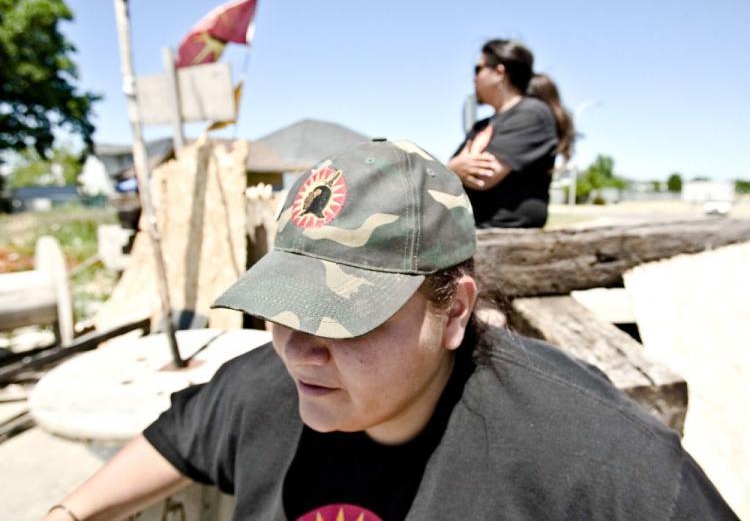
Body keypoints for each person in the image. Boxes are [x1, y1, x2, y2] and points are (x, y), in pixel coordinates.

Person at [44, 139, 737, 521]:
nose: (301, 347)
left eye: (346, 316)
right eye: (283, 306)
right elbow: (181, 435)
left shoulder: (594, 458)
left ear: (455, 311)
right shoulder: (268, 383)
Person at [448, 39, 575, 228]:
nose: (473, 78)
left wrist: (451, 169)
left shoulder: (532, 114)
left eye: (478, 69)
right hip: (473, 231)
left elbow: (482, 177)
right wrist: (453, 168)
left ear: (499, 72)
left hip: (508, 235)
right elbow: (445, 177)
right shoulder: (480, 126)